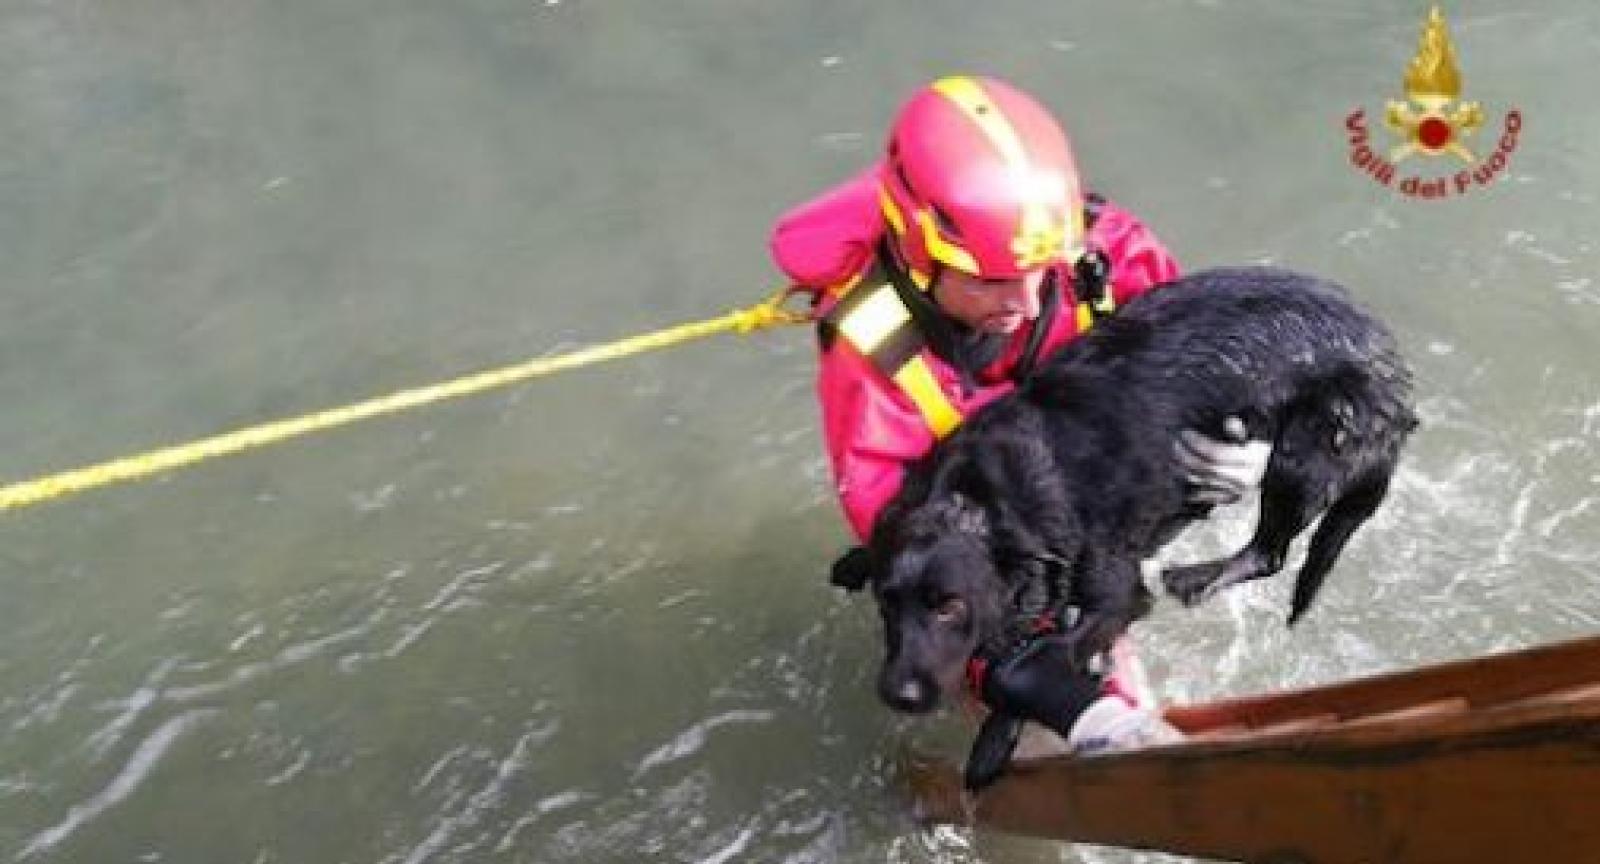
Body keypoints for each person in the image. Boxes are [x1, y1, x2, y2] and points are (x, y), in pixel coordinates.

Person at [768, 76, 1268, 755]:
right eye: (993, 281)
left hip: (1083, 481)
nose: (1028, 303)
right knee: (999, 670)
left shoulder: (1106, 253)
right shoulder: (871, 360)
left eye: (1039, 273)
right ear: (920, 258)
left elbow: (1199, 360)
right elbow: (914, 536)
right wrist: (1045, 688)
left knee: (1102, 626)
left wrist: (1244, 436)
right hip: (966, 510)